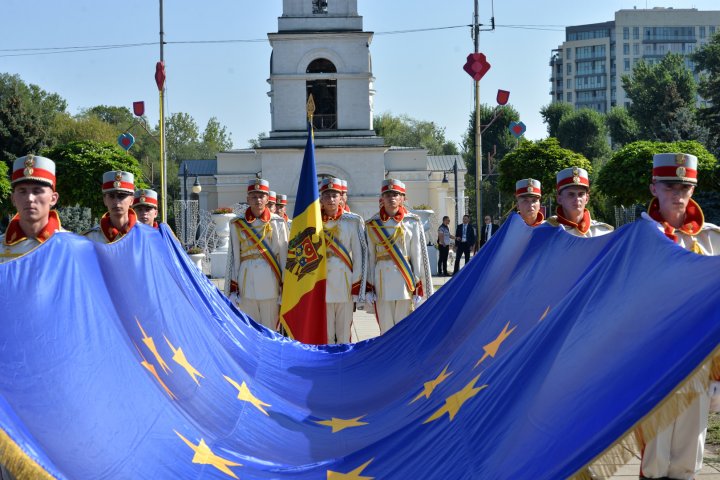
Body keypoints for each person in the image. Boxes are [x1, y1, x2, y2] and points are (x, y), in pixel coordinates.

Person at [639, 153, 720, 480]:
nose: (677, 193)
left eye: (684, 186)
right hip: (653, 363)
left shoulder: (712, 240)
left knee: (688, 456)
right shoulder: (640, 240)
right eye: (669, 185)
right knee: (655, 457)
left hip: (696, 365)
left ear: (694, 187)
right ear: (653, 187)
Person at [365, 179, 433, 334]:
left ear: (403, 198)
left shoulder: (412, 222)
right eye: (387, 194)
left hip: (405, 282)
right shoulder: (372, 224)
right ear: (382, 198)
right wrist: (369, 288)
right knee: (385, 329)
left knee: (404, 329)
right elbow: (369, 259)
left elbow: (418, 257)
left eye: (396, 194)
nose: (391, 198)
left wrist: (419, 289)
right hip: (381, 282)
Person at [224, 179, 288, 330]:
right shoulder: (237, 223)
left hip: (271, 282)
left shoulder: (278, 222)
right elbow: (232, 258)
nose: (258, 200)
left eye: (261, 196)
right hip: (247, 282)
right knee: (250, 330)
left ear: (267, 199)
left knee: (271, 331)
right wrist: (231, 290)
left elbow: (284, 257)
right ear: (247, 199)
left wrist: (285, 289)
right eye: (253, 196)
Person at [319, 178, 367, 343]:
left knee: (343, 334)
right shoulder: (314, 221)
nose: (331, 199)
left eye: (335, 195)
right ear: (321, 199)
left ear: (341, 198)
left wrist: (356, 287)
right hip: (322, 284)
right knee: (325, 335)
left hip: (345, 285)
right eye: (327, 195)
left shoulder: (352, 220)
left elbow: (360, 255)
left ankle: (342, 367)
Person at [1, 154, 65, 263]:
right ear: (13, 199)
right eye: (22, 191)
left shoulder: (70, 247)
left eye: (37, 191)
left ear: (53, 198)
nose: (29, 198)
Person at [545, 166, 613, 237]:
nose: (577, 199)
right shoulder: (545, 233)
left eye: (581, 194)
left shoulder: (602, 232)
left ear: (587, 199)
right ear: (559, 199)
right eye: (571, 194)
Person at [84, 171, 138, 243]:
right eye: (111, 196)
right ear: (105, 200)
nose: (116, 202)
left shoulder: (144, 236)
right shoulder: (90, 238)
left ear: (131, 200)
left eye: (121, 196)